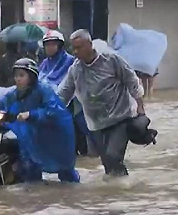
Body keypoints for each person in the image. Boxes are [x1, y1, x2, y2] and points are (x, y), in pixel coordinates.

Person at [57, 29, 148, 177]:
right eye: (73, 48)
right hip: (96, 124)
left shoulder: (112, 60)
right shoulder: (75, 69)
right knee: (107, 162)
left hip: (120, 118)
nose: (75, 52)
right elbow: (63, 94)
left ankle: (123, 188)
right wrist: (49, 110)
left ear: (89, 45)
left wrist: (140, 107)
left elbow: (132, 81)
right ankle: (114, 192)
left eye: (79, 47)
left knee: (113, 156)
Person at [0, 58, 80, 183]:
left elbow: (53, 111)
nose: (18, 79)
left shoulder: (44, 90)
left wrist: (31, 114)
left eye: (21, 75)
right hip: (34, 133)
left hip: (56, 134)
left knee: (65, 170)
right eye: (16, 76)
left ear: (31, 77)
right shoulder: (15, 93)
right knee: (30, 166)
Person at [38, 30, 92, 156]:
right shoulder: (44, 64)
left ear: (60, 45)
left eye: (52, 44)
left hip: (73, 103)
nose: (49, 48)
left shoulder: (71, 61)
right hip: (50, 102)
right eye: (47, 45)